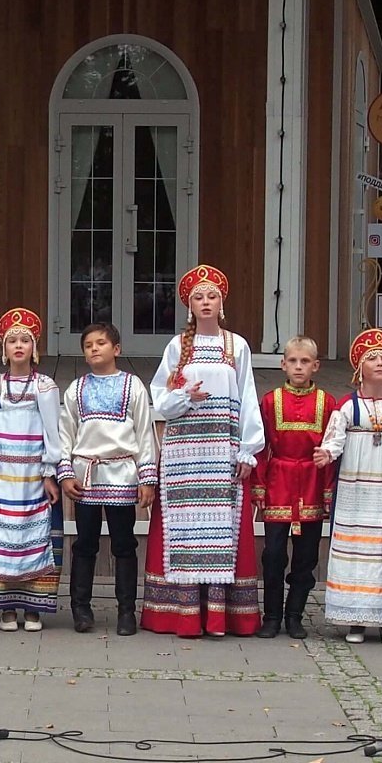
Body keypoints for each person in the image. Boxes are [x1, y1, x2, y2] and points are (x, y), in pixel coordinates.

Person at [145, 265, 265, 638]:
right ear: (189, 305)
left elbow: (247, 396)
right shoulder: (177, 347)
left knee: (222, 530)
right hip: (185, 451)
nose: (206, 302)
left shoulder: (237, 345)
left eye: (212, 296)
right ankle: (182, 615)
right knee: (184, 529)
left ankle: (219, 617)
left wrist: (248, 449)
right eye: (199, 297)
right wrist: (185, 396)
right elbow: (160, 398)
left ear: (222, 302)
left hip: (222, 449)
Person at [0, 308, 65, 631]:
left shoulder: (45, 386)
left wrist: (50, 472)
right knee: (1, 534)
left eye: (25, 340)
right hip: (1, 475)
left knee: (32, 535)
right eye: (13, 341)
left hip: (33, 476)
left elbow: (53, 430)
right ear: (4, 349)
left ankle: (33, 608)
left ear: (34, 348)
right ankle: (6, 607)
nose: (19, 346)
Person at [58, 322, 157, 635]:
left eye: (101, 343)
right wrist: (65, 471)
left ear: (116, 349)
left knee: (124, 543)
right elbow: (66, 432)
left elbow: (144, 433)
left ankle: (126, 611)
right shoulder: (77, 388)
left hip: (121, 474)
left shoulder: (133, 386)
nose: (94, 349)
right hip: (87, 473)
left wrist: (147, 477)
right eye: (88, 345)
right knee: (85, 544)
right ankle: (80, 609)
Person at [320, 328, 382, 644]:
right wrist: (326, 453)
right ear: (359, 368)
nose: (379, 363)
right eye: (371, 358)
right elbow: (335, 439)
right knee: (355, 551)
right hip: (355, 488)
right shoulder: (348, 405)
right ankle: (355, 620)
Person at [253, 336, 334, 640]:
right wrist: (258, 485)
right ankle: (271, 615)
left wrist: (327, 489)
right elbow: (261, 448)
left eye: (305, 362)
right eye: (293, 361)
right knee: (273, 554)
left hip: (311, 483)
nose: (299, 367)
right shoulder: (270, 401)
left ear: (316, 366)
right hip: (279, 483)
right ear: (283, 364)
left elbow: (331, 450)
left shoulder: (327, 403)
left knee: (306, 556)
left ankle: (295, 616)